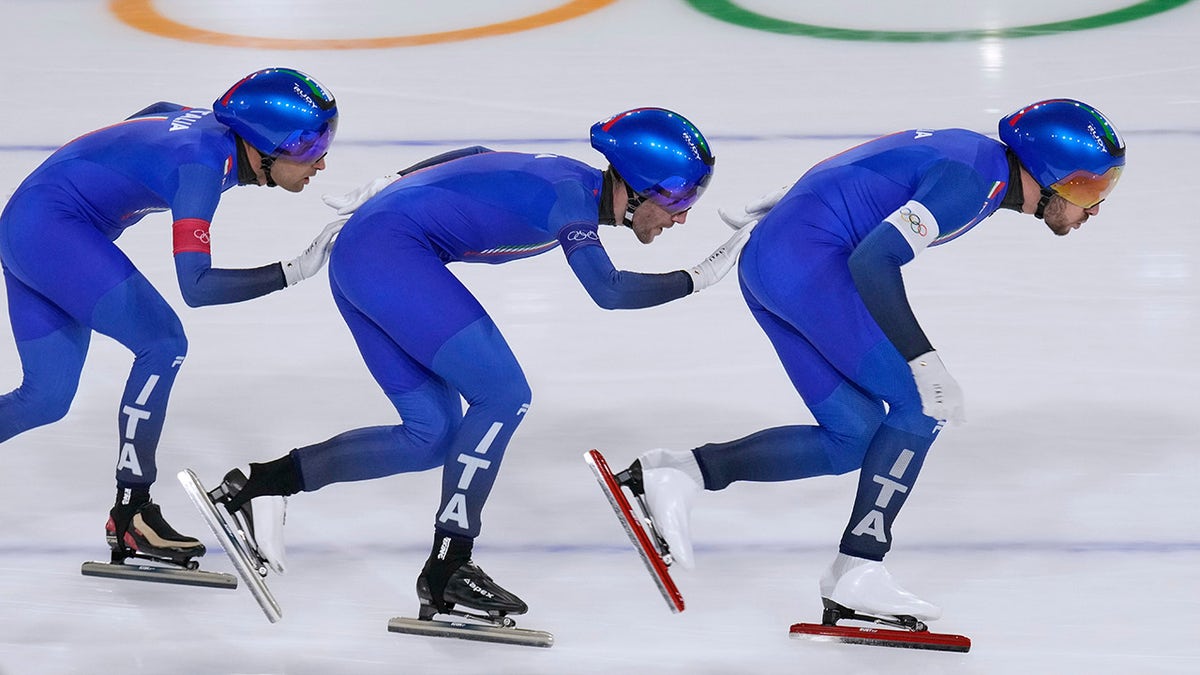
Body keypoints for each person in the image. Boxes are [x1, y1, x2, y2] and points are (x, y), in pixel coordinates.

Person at [201, 107, 750, 624]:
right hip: (386, 255)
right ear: (636, 185)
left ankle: (261, 485)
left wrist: (395, 178)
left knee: (432, 435)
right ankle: (449, 565)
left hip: (368, 255)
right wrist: (696, 278)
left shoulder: (571, 181)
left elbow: (476, 150)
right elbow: (609, 292)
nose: (684, 214)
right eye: (679, 197)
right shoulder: (572, 200)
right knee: (504, 394)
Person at [622, 99, 1125, 624]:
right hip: (803, 262)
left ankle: (680, 474)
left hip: (774, 263)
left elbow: (869, 165)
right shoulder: (977, 183)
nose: (1093, 209)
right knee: (921, 405)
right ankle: (860, 569)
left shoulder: (978, 161)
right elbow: (873, 259)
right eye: (1088, 189)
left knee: (854, 436)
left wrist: (802, 198)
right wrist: (923, 361)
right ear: (1046, 173)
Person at [0, 67, 343, 568]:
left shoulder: (206, 130)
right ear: (265, 145)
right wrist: (291, 271)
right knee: (162, 343)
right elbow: (196, 288)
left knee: (46, 398)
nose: (321, 162)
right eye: (309, 147)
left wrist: (121, 178)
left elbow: (154, 114)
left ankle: (131, 513)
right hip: (49, 232)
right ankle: (133, 512)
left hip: (32, 226)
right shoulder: (202, 168)